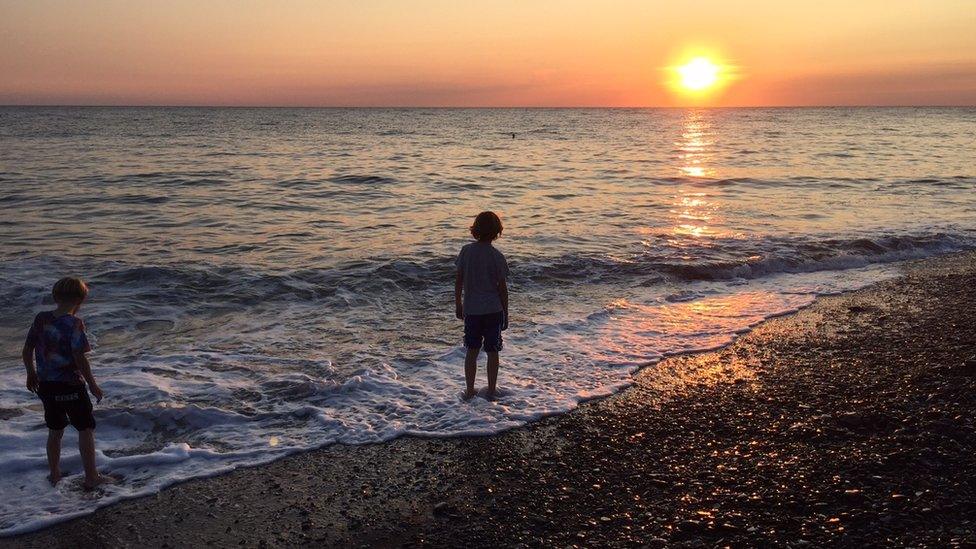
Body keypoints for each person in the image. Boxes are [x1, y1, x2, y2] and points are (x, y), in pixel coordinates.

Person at [22, 277, 112, 489]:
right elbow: (80, 359)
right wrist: (92, 385)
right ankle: (92, 477)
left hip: (46, 386)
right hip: (70, 385)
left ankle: (54, 474)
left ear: (55, 297)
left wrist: (31, 373)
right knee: (85, 428)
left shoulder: (41, 319)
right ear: (81, 300)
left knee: (55, 430)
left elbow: (27, 350)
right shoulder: (75, 324)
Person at [455, 211, 509, 399]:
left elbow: (459, 281)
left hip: (472, 309)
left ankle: (470, 391)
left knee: (472, 350)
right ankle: (492, 390)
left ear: (475, 229)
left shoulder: (466, 251)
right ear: (497, 232)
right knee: (493, 351)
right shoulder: (497, 256)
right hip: (493, 309)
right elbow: (502, 289)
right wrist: (506, 313)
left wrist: (458, 304)